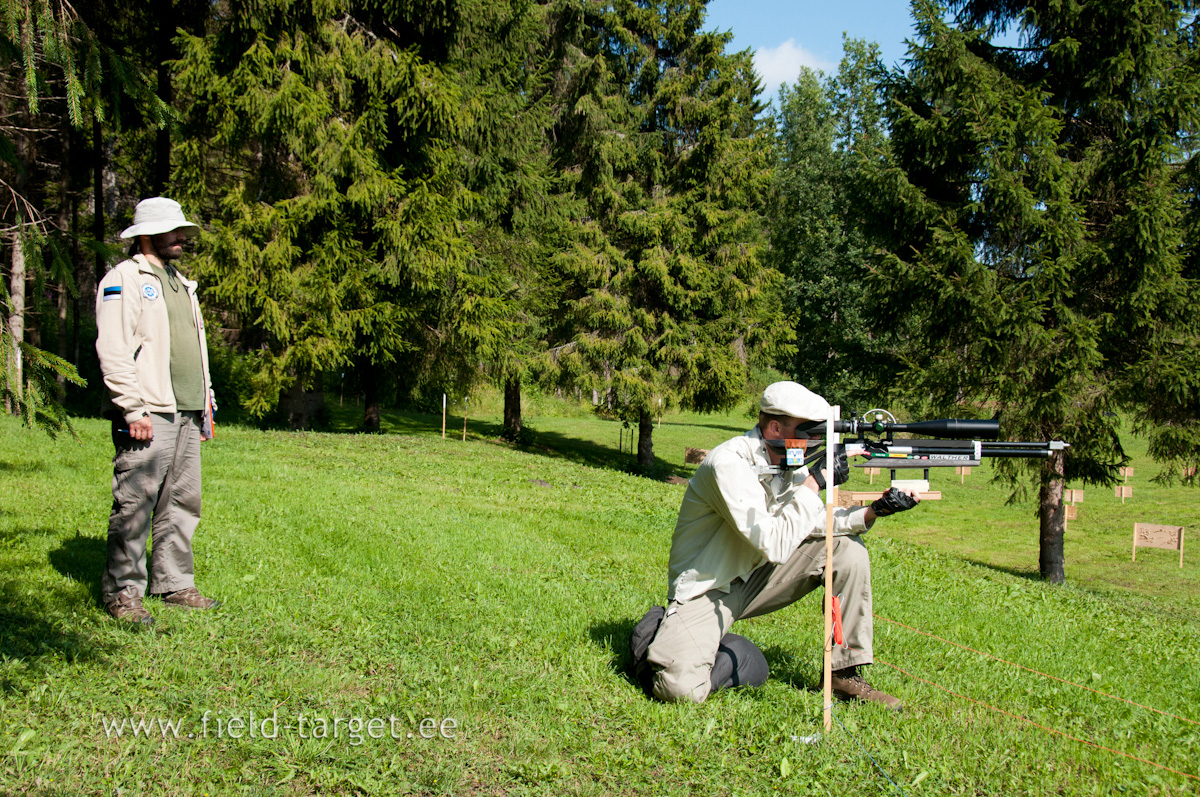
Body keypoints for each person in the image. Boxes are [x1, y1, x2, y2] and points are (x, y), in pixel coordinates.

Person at [631, 381, 920, 707]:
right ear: (774, 428)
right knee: (678, 689)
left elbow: (809, 522)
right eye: (809, 432)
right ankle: (666, 632)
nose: (814, 442)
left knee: (846, 551)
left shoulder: (787, 461)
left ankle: (842, 674)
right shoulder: (727, 464)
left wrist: (873, 511)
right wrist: (815, 482)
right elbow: (773, 542)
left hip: (756, 575)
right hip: (709, 588)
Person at [95, 197, 219, 625]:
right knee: (135, 503)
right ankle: (123, 593)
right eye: (172, 230)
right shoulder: (124, 279)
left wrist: (205, 404)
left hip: (187, 411)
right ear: (146, 235)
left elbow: (193, 351)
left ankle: (174, 583)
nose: (182, 236)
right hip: (148, 412)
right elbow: (113, 348)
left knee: (182, 503)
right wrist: (132, 409)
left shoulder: (182, 284)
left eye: (182, 229)